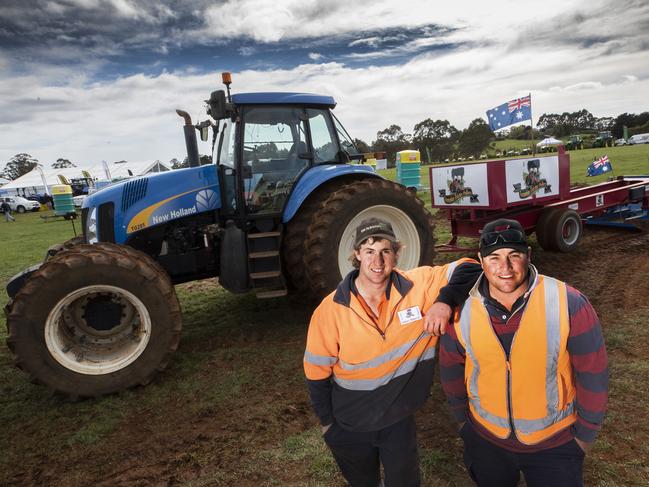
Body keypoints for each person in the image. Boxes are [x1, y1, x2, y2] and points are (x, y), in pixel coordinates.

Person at [303, 217, 481, 487]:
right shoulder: (330, 310)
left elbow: (471, 268)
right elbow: (316, 373)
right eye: (369, 251)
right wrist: (329, 425)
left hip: (398, 419)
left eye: (386, 251)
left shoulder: (418, 286)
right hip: (350, 423)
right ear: (357, 255)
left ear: (397, 253)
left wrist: (445, 302)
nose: (378, 261)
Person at [439, 218, 608, 487]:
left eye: (513, 255)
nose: (504, 268)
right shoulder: (461, 310)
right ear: (480, 261)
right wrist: (464, 424)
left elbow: (593, 374)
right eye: (494, 257)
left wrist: (583, 438)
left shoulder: (568, 302)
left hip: (555, 445)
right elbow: (451, 369)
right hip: (486, 441)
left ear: (528, 256)